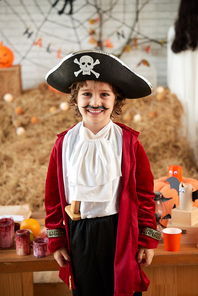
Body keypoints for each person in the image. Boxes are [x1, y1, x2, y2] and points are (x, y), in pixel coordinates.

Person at [45, 50, 160, 296]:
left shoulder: (128, 142)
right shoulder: (64, 144)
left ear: (115, 100)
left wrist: (146, 239)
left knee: (122, 289)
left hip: (120, 232)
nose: (95, 102)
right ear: (75, 99)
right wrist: (57, 241)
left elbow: (144, 194)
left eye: (104, 95)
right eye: (86, 94)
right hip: (79, 236)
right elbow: (53, 197)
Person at [167, 0, 198, 165]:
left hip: (183, 89)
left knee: (186, 128)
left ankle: (190, 167)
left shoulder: (174, 32)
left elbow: (171, 67)